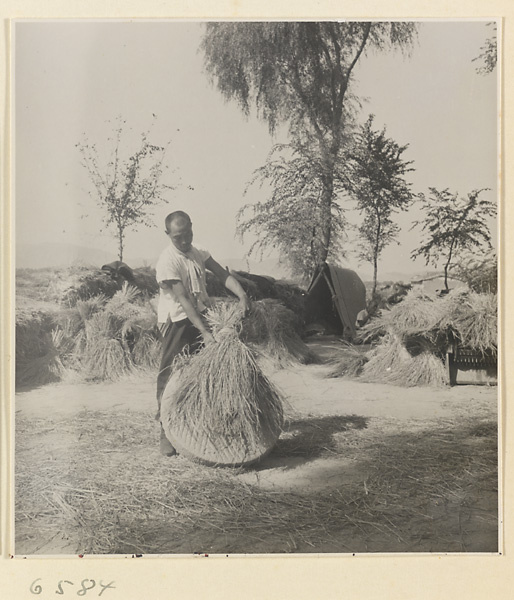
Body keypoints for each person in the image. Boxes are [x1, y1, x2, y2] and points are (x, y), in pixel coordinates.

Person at [155, 210, 250, 456]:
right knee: (171, 372)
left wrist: (241, 294)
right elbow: (183, 299)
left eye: (187, 234)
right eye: (178, 237)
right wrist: (206, 332)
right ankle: (165, 430)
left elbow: (222, 274)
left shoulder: (198, 252)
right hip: (177, 320)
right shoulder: (168, 260)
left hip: (201, 315)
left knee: (202, 372)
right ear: (168, 235)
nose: (184, 241)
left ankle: (196, 422)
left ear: (192, 228)